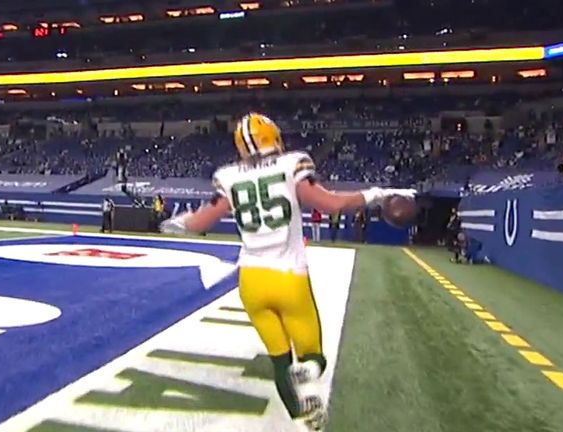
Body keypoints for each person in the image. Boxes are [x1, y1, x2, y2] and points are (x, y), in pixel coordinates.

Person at [160, 113, 415, 431]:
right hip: (288, 277)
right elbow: (330, 204)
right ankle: (307, 372)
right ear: (274, 138)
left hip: (251, 280)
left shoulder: (227, 176)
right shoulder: (291, 163)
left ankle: (301, 419)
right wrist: (374, 195)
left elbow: (198, 224)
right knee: (313, 357)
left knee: (280, 360)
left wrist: (176, 223)